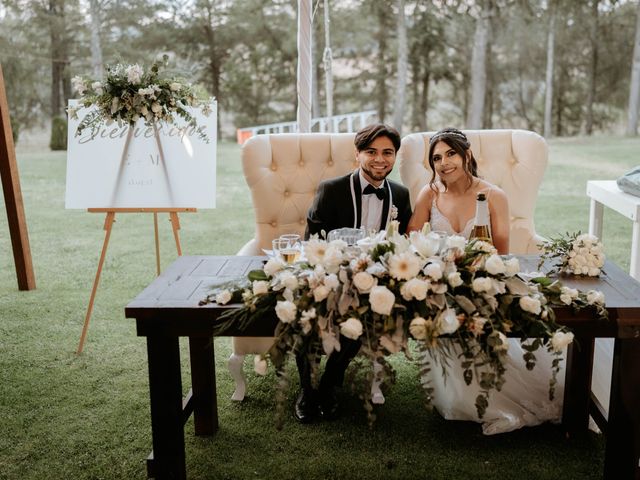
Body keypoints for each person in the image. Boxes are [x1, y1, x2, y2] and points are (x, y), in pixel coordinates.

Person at [407, 128, 564, 434]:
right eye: (436, 157)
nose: (443, 163)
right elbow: (414, 240)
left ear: (467, 154)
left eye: (450, 153)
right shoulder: (431, 194)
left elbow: (501, 255)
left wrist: (472, 273)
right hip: (440, 285)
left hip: (484, 280)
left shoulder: (493, 196)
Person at [295, 123, 413, 423]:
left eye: (388, 152)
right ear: (357, 154)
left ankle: (330, 384)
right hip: (327, 273)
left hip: (373, 281)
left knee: (366, 308)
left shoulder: (400, 194)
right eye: (371, 152)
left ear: (395, 156)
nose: (379, 159)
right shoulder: (331, 190)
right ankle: (307, 391)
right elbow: (312, 244)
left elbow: (403, 245)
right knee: (308, 307)